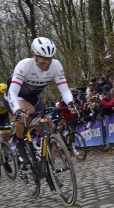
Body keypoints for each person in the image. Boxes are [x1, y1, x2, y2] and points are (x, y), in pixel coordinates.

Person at [3, 37, 74, 165]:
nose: (47, 62)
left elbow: (64, 89)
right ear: (33, 55)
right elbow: (13, 91)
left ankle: (49, 168)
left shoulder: (56, 66)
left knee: (47, 127)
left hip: (33, 98)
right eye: (43, 58)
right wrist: (17, 110)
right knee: (28, 111)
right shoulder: (24, 65)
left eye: (50, 58)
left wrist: (70, 102)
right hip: (15, 96)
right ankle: (19, 144)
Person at [0, 83, 12, 172]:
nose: (2, 96)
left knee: (5, 137)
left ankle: (6, 160)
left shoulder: (8, 98)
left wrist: (14, 122)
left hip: (4, 117)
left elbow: (13, 111)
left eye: (4, 94)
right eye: (0, 94)